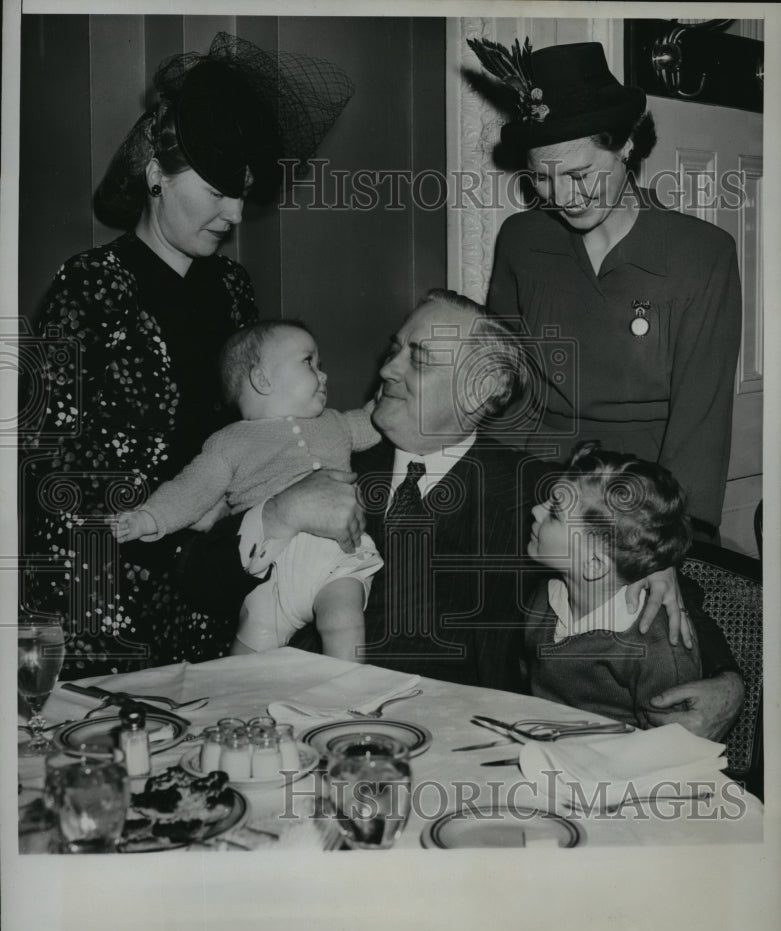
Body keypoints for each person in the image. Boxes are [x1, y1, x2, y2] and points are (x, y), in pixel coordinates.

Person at [179, 290, 743, 735]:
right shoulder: (314, 455)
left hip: (462, 748)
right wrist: (278, 514)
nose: (388, 369)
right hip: (300, 725)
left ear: (484, 390)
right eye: (395, 349)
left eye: (418, 360)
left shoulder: (539, 494)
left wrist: (729, 682)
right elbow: (195, 583)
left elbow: (655, 586)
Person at [19, 33, 354, 678]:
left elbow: (261, 433)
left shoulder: (234, 289)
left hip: (228, 584)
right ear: (155, 173)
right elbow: (57, 480)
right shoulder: (89, 287)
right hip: (111, 603)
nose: (234, 211)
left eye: (244, 192)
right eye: (220, 188)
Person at [467, 38, 741, 540]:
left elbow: (702, 420)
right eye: (542, 180)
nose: (564, 198)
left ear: (626, 144)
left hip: (642, 497)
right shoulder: (521, 239)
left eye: (579, 174)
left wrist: (675, 538)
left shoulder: (703, 254)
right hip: (535, 480)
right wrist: (484, 484)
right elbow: (505, 384)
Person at [111, 321, 382, 661]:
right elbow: (192, 489)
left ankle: (346, 702)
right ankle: (236, 709)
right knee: (250, 652)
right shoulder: (230, 443)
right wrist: (149, 517)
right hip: (270, 567)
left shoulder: (336, 422)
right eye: (309, 362)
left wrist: (386, 395)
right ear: (262, 379)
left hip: (335, 557)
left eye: (320, 365)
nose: (323, 375)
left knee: (343, 621)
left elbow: (375, 421)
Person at [524, 442, 706, 726]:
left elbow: (673, 749)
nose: (536, 510)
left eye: (555, 514)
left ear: (594, 564)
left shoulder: (656, 648)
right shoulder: (544, 596)